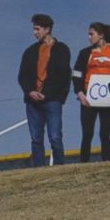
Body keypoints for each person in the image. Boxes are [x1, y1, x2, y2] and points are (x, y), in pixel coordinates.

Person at [72, 22, 110, 162]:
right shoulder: (85, 53)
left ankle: (106, 161)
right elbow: (76, 73)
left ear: (101, 35)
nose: (89, 37)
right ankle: (84, 162)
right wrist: (80, 93)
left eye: (91, 34)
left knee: (105, 133)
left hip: (108, 98)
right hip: (88, 97)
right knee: (87, 133)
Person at [18, 14, 71, 167]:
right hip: (32, 101)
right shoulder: (30, 51)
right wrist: (30, 92)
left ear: (47, 29)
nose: (35, 32)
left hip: (53, 100)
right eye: (34, 29)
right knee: (36, 138)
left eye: (37, 29)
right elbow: (22, 76)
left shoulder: (61, 49)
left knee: (55, 136)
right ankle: (38, 168)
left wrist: (49, 94)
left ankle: (60, 166)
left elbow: (63, 76)